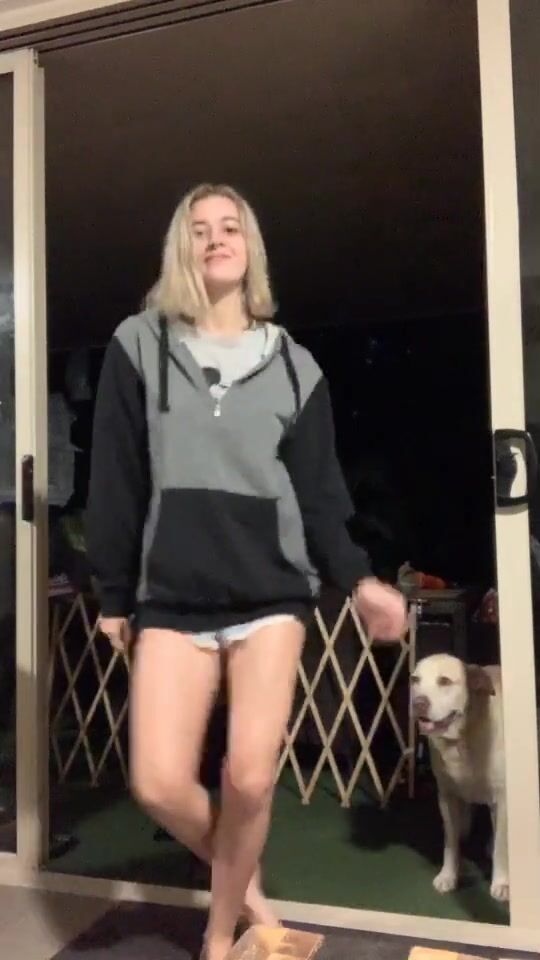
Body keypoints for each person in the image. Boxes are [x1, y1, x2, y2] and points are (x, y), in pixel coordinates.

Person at [86, 183, 407, 960]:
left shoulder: (295, 366)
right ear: (182, 248)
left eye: (230, 227)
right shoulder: (139, 344)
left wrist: (359, 578)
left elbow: (321, 493)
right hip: (173, 593)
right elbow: (116, 476)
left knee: (251, 779)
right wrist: (113, 592)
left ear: (250, 247)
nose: (216, 239)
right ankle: (250, 889)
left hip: (273, 593)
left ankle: (219, 934)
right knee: (157, 782)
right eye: (199, 229)